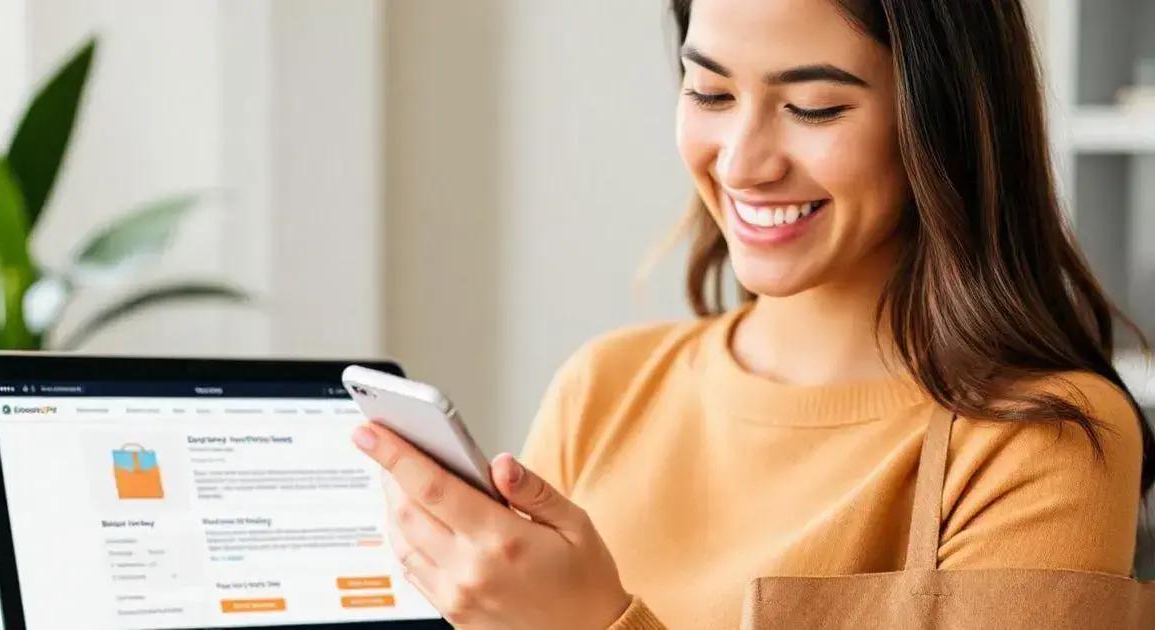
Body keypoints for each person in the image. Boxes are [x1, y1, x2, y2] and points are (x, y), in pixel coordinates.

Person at [352, 0, 1154, 628]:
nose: (741, 162)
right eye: (709, 92)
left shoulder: (1038, 437)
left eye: (812, 107)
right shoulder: (604, 387)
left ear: (941, 119)